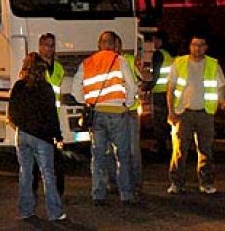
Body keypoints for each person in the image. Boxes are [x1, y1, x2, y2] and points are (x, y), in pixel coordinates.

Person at [71, 30, 138, 205]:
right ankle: (126, 194)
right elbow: (131, 86)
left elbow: (74, 88)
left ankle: (98, 194)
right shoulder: (119, 60)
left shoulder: (87, 62)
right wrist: (127, 103)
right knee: (122, 156)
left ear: (100, 44)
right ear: (114, 44)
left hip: (97, 114)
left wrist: (86, 100)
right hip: (117, 113)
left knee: (98, 156)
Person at [166, 32, 225, 195]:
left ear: (206, 47)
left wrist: (223, 101)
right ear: (190, 46)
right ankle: (176, 183)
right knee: (179, 151)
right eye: (195, 45)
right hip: (183, 113)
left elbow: (222, 86)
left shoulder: (213, 64)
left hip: (205, 114)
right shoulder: (179, 63)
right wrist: (171, 111)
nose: (198, 48)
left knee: (206, 150)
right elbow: (170, 89)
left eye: (201, 45)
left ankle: (206, 183)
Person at [8, 52, 66, 221]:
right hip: (42, 137)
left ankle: (26, 210)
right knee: (48, 174)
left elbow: (11, 113)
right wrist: (58, 136)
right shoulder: (45, 88)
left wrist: (21, 125)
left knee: (25, 173)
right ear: (42, 69)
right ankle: (55, 213)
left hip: (23, 134)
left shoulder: (18, 86)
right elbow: (51, 115)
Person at [105, 33, 143, 197]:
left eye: (115, 44)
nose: (114, 48)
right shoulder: (100, 61)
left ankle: (135, 184)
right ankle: (113, 182)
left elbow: (139, 81)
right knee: (109, 150)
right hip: (109, 111)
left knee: (132, 150)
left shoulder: (128, 60)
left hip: (128, 112)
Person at [32, 33, 65, 198]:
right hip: (37, 121)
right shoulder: (33, 68)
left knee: (57, 160)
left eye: (51, 45)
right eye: (45, 45)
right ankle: (33, 192)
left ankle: (58, 193)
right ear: (39, 47)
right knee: (35, 163)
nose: (49, 48)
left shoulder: (59, 68)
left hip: (53, 120)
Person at [146, 30, 173, 159]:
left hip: (159, 92)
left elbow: (156, 75)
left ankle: (161, 148)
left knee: (159, 122)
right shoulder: (170, 54)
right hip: (169, 91)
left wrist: (148, 87)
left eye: (154, 40)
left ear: (160, 41)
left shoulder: (158, 54)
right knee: (168, 121)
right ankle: (171, 146)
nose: (153, 43)